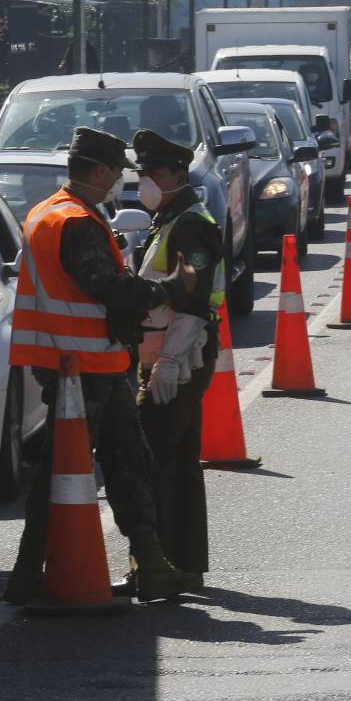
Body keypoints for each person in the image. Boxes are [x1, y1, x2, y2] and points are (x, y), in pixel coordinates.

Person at [4, 126, 204, 605]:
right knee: (67, 469)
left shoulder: (47, 213)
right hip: (81, 368)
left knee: (127, 461)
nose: (121, 180)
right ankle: (29, 573)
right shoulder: (75, 222)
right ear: (98, 170)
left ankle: (151, 566)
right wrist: (170, 289)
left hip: (85, 364)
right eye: (117, 171)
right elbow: (109, 289)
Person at [128, 129, 225, 593]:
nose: (146, 180)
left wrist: (167, 361)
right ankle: (184, 566)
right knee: (179, 462)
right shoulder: (168, 219)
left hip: (181, 360)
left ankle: (152, 568)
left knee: (146, 458)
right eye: (142, 172)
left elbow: (195, 299)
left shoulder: (191, 223)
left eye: (156, 172)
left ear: (179, 174)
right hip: (173, 357)